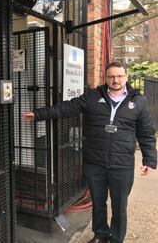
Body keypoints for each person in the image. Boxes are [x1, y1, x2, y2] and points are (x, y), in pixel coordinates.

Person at [22, 62, 157, 243]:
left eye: (119, 76)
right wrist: (39, 114)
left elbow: (146, 132)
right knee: (98, 203)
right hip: (95, 161)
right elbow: (67, 107)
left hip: (121, 164)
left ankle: (117, 239)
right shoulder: (93, 96)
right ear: (106, 78)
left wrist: (150, 159)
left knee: (119, 206)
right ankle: (100, 234)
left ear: (126, 77)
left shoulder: (138, 101)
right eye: (111, 76)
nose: (115, 80)